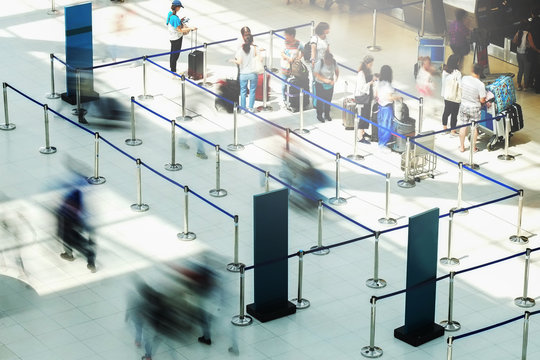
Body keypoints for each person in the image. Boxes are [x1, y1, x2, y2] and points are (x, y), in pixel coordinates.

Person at [57, 188, 97, 273]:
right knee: (88, 248)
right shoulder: (77, 207)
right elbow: (80, 223)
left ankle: (69, 255)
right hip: (76, 232)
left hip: (67, 233)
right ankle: (91, 263)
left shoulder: (64, 209)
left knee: (67, 241)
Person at [458, 63, 486, 153]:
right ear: (480, 72)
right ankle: (473, 148)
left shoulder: (464, 78)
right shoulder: (481, 84)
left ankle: (462, 147)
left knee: (463, 126)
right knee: (474, 128)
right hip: (474, 108)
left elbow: (461, 88)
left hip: (464, 106)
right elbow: (482, 100)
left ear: (472, 70)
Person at [166, 0, 197, 75]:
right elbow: (180, 30)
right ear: (176, 7)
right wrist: (191, 28)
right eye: (179, 7)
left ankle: (172, 69)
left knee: (172, 53)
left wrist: (180, 21)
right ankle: (173, 71)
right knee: (175, 55)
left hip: (172, 37)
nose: (180, 8)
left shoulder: (170, 14)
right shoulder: (175, 18)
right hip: (177, 38)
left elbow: (169, 23)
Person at [374, 65, 401, 148]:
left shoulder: (379, 83)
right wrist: (397, 97)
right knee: (387, 126)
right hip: (387, 108)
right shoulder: (388, 85)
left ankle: (381, 142)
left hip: (380, 107)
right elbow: (389, 98)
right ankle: (383, 145)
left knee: (381, 126)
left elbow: (376, 95)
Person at [233, 34, 259, 112]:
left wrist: (232, 60)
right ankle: (251, 108)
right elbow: (260, 59)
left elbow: (238, 61)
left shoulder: (241, 50)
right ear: (252, 41)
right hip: (253, 73)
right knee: (252, 91)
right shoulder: (255, 49)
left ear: (244, 41)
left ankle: (243, 109)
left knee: (243, 91)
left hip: (243, 74)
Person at [354, 55, 375, 144]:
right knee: (362, 115)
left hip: (367, 97)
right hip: (362, 98)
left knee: (366, 115)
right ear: (366, 63)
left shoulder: (367, 71)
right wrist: (370, 83)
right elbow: (361, 88)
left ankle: (362, 132)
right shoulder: (361, 73)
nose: (371, 66)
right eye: (370, 64)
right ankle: (359, 136)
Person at [313, 50, 339, 122]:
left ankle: (327, 114)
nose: (329, 64)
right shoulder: (320, 63)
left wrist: (335, 80)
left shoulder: (334, 62)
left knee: (328, 100)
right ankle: (319, 115)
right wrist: (325, 80)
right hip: (320, 84)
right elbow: (316, 74)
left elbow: (337, 71)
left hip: (330, 85)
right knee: (320, 101)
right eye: (328, 62)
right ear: (325, 59)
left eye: (330, 62)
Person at [280, 27, 304, 103]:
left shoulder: (298, 43)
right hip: (285, 67)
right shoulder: (284, 43)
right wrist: (288, 58)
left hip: (294, 69)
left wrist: (298, 58)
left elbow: (303, 51)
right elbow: (282, 53)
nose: (285, 37)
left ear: (292, 35)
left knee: (293, 84)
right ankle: (284, 99)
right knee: (284, 85)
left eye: (286, 35)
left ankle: (292, 100)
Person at [441, 54, 462, 136]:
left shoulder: (445, 71)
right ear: (456, 62)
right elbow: (460, 86)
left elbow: (444, 83)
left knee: (446, 112)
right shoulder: (458, 73)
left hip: (447, 95)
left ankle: (445, 128)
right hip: (455, 97)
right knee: (454, 114)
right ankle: (453, 131)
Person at [513, 20, 531, 91]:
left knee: (520, 69)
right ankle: (525, 86)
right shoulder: (528, 34)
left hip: (518, 53)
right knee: (526, 71)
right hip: (525, 54)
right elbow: (530, 45)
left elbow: (514, 41)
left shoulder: (518, 32)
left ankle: (519, 85)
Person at [527, 7, 540, 93]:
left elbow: (530, 37)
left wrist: (536, 49)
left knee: (535, 69)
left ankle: (535, 87)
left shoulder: (532, 24)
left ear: (532, 14)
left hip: (535, 51)